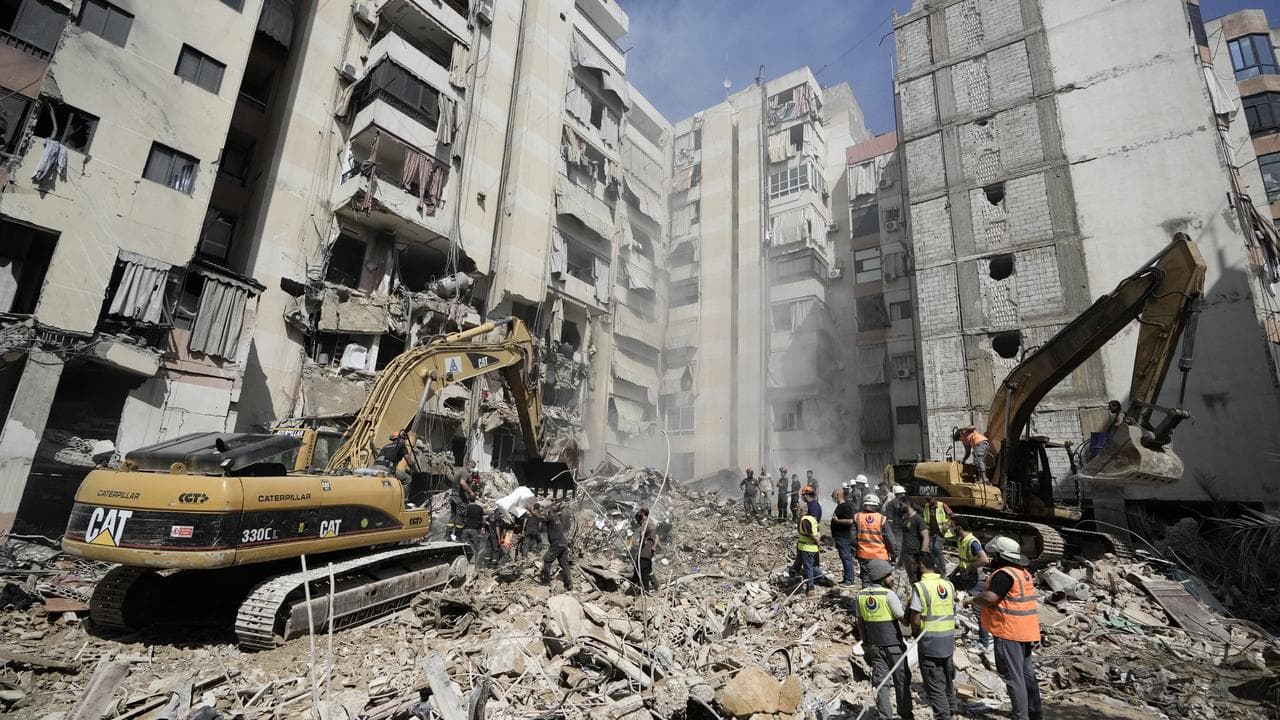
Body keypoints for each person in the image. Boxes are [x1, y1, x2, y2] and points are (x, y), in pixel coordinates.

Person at [972, 537, 1042, 720]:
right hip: (1026, 630)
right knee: (1026, 674)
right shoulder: (1022, 572)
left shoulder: (1004, 575)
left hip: (1008, 630)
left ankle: (1020, 716)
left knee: (1013, 676)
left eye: (994, 554)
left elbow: (989, 598)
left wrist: (972, 600)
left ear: (1000, 555)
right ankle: (1034, 713)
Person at [855, 559, 912, 720]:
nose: (892, 577)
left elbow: (860, 623)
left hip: (874, 646)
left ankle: (884, 716)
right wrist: (909, 605)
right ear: (881, 577)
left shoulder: (861, 595)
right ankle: (906, 715)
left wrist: (865, 644)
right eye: (889, 575)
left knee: (881, 684)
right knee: (901, 681)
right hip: (894, 646)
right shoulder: (889, 595)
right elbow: (904, 621)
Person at [909, 553, 957, 720]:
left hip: (930, 642)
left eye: (916, 565)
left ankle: (943, 716)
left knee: (934, 683)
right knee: (947, 678)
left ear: (921, 565)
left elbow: (915, 617)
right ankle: (952, 708)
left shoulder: (920, 587)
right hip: (949, 640)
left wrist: (915, 633)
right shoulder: (948, 585)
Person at [951, 516, 991, 652]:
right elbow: (962, 560)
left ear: (959, 527)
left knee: (979, 612)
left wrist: (970, 568)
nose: (951, 528)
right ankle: (952, 618)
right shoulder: (961, 540)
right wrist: (953, 573)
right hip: (965, 577)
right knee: (947, 586)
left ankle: (984, 644)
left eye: (953, 526)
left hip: (975, 579)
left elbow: (984, 560)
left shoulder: (972, 542)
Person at [528, 501, 573, 591]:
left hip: (557, 544)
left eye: (551, 507)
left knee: (547, 561)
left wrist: (531, 511)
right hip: (563, 543)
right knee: (564, 564)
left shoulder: (551, 516)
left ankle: (546, 581)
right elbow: (542, 519)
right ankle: (569, 584)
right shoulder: (556, 517)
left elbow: (541, 518)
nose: (548, 509)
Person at [854, 494, 897, 584]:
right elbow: (889, 539)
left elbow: (852, 538)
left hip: (864, 555)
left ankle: (866, 597)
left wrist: (856, 550)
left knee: (866, 580)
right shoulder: (881, 519)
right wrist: (894, 553)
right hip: (880, 555)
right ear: (877, 505)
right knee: (881, 580)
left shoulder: (857, 517)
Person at [374, 431, 420, 507]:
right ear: (400, 439)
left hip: (374, 468)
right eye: (404, 439)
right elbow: (410, 462)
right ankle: (402, 502)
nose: (404, 441)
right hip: (386, 470)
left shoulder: (385, 446)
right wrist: (415, 470)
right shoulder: (402, 446)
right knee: (407, 479)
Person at [796, 502, 828, 594]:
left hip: (807, 547)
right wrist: (818, 543)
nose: (796, 511)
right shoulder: (812, 519)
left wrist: (818, 542)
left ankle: (811, 588)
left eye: (798, 509)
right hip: (813, 548)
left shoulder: (805, 520)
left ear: (801, 510)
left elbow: (809, 534)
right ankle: (823, 579)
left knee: (808, 567)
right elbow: (817, 531)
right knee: (814, 566)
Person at [830, 487, 857, 586]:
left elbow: (850, 521)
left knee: (846, 557)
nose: (832, 497)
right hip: (839, 536)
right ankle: (847, 578)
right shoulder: (840, 506)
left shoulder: (845, 506)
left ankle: (849, 580)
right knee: (843, 557)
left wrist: (837, 521)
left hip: (843, 537)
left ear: (838, 495)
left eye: (833, 495)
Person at [630, 507, 660, 592]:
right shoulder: (652, 523)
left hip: (644, 552)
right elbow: (657, 537)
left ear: (642, 516)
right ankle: (656, 586)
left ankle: (645, 591)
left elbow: (642, 534)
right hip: (649, 552)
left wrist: (642, 541)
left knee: (643, 572)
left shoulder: (645, 523)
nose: (639, 523)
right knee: (646, 570)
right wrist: (654, 546)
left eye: (639, 520)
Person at [900, 500, 930, 583]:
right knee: (912, 579)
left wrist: (923, 554)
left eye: (901, 504)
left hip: (915, 556)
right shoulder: (905, 519)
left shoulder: (918, 519)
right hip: (908, 556)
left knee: (917, 580)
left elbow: (926, 536)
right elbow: (905, 539)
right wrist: (901, 559)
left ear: (908, 504)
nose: (900, 507)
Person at [447, 460, 477, 538]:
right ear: (468, 465)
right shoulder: (465, 472)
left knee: (453, 516)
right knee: (460, 516)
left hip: (454, 497)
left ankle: (448, 535)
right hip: (460, 498)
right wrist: (471, 492)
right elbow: (462, 482)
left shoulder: (459, 471)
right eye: (472, 467)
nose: (472, 469)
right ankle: (458, 535)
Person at [926, 497, 955, 574]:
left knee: (937, 548)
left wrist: (947, 525)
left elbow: (952, 516)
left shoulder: (942, 505)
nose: (929, 502)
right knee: (932, 551)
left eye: (930, 500)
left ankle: (942, 570)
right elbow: (926, 519)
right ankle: (936, 568)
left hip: (941, 532)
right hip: (931, 532)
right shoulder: (927, 506)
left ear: (934, 499)